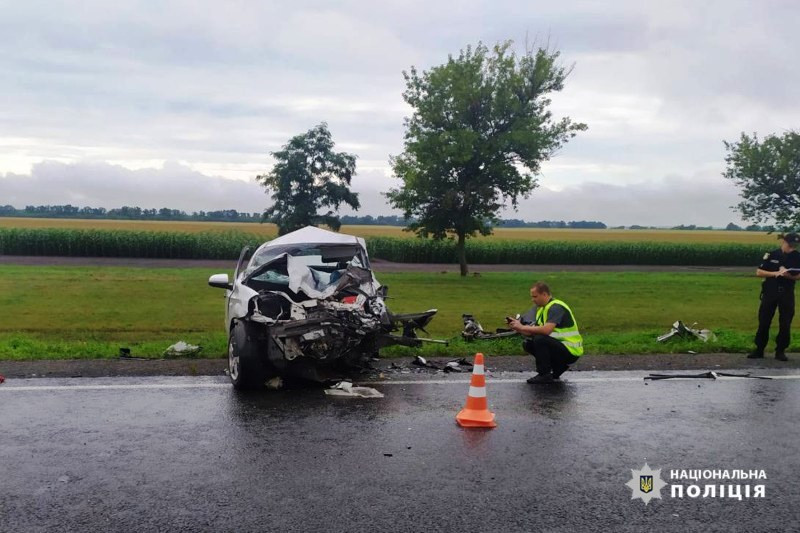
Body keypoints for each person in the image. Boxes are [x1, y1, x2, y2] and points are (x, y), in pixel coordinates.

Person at [507, 282, 584, 384]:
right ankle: (558, 367)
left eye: (535, 296)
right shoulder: (542, 309)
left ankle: (544, 374)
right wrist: (518, 328)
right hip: (561, 347)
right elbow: (533, 332)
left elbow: (546, 330)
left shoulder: (556, 307)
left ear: (544, 294)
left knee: (540, 339)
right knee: (528, 343)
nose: (532, 300)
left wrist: (522, 327)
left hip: (571, 350)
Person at [748, 232, 800, 361]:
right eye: (790, 245)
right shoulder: (772, 254)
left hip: (786, 292)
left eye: (794, 245)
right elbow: (759, 272)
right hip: (770, 292)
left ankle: (780, 350)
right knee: (764, 321)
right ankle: (759, 349)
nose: (792, 247)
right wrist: (776, 273)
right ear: (784, 242)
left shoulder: (797, 257)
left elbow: (798, 276)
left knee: (785, 322)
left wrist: (788, 275)